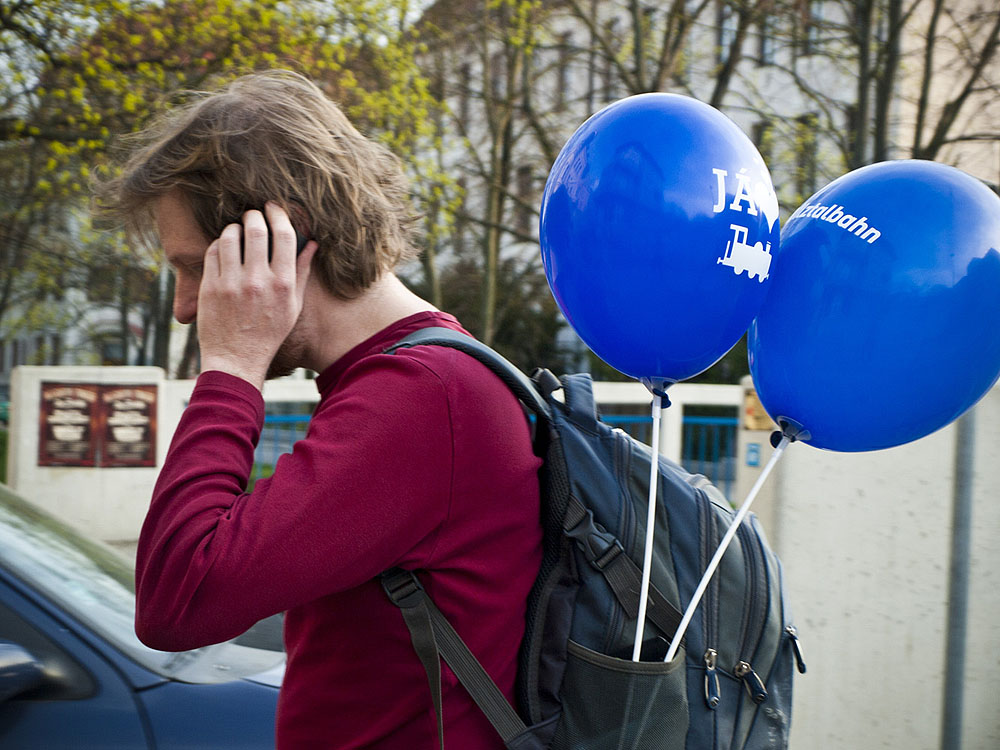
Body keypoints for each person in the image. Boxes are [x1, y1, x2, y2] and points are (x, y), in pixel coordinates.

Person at [96, 70, 542, 749]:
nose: (186, 305)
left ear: (274, 243)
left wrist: (232, 367)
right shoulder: (403, 380)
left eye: (193, 267)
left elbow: (176, 598)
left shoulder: (425, 398)